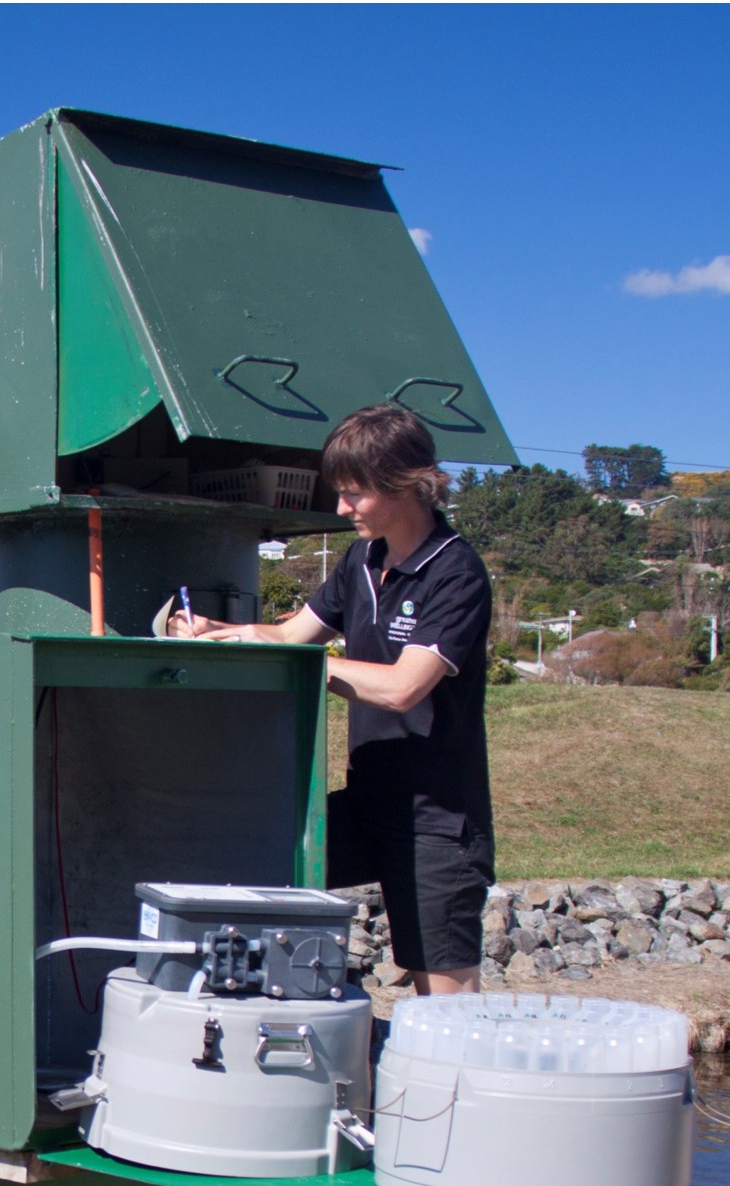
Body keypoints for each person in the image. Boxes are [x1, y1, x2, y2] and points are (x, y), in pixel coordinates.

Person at [174, 403, 495, 995]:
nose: (343, 509)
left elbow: (403, 687)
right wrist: (217, 631)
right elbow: (291, 636)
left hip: (437, 824)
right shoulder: (360, 561)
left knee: (445, 1012)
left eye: (355, 495)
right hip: (370, 803)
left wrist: (311, 666)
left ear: (407, 483)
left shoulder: (457, 573)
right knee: (262, 865)